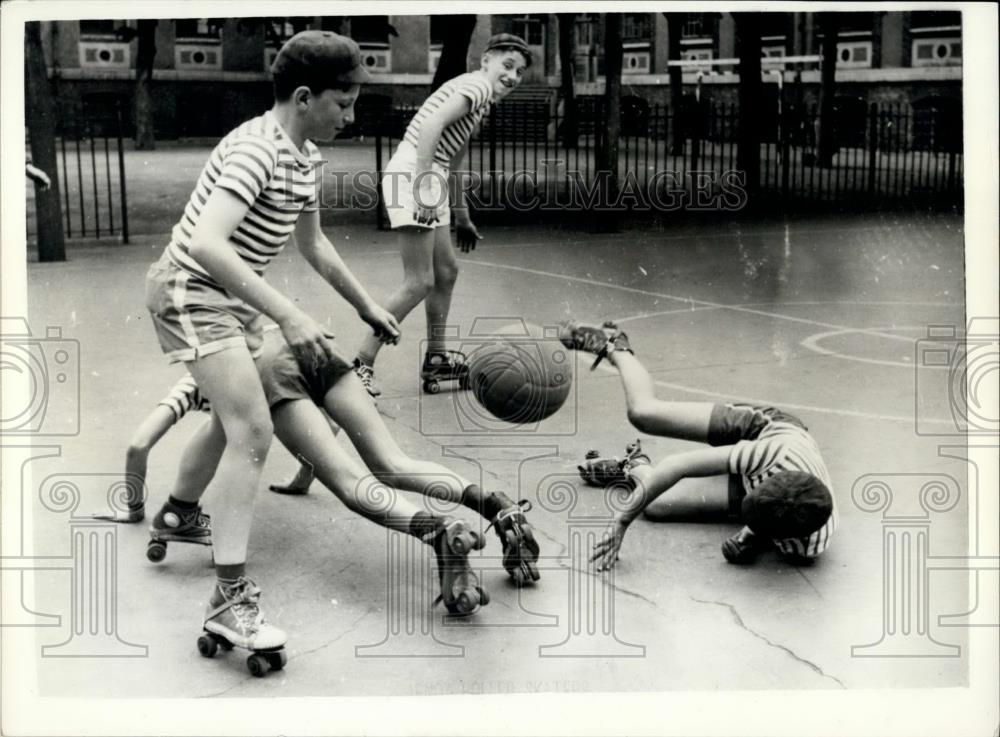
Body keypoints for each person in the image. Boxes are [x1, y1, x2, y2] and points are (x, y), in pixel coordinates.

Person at [142, 30, 400, 657]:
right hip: (191, 291)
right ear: (306, 97)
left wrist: (365, 305)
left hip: (232, 298)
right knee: (252, 431)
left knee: (233, 420)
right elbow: (205, 244)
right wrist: (287, 315)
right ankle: (229, 601)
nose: (352, 115)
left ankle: (178, 511)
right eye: (344, 103)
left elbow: (312, 244)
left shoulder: (305, 155)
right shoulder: (256, 150)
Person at [155, 328, 541, 612]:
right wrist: (303, 477)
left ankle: (436, 531)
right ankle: (495, 505)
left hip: (267, 369)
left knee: (349, 481)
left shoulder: (210, 364)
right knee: (392, 462)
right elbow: (323, 428)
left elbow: (193, 435)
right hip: (309, 342)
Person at [558, 321, 836, 571]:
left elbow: (774, 525)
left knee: (657, 506)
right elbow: (677, 465)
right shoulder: (768, 455)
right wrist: (621, 521)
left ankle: (633, 464)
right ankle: (614, 345)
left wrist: (751, 537)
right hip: (762, 430)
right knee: (643, 413)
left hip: (769, 482)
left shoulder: (810, 542)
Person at [353, 34, 532, 397]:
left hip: (428, 173)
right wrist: (421, 184)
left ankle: (437, 357)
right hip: (416, 171)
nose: (513, 76)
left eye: (520, 72)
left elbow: (453, 162)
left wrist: (462, 215)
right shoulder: (478, 87)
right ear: (486, 61)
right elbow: (432, 127)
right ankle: (359, 364)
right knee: (418, 281)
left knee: (446, 271)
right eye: (507, 66)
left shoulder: (478, 98)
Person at [92, 373, 315, 524]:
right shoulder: (200, 386)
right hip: (261, 388)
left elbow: (138, 446)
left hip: (260, 389)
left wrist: (134, 509)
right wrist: (303, 477)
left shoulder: (196, 385)